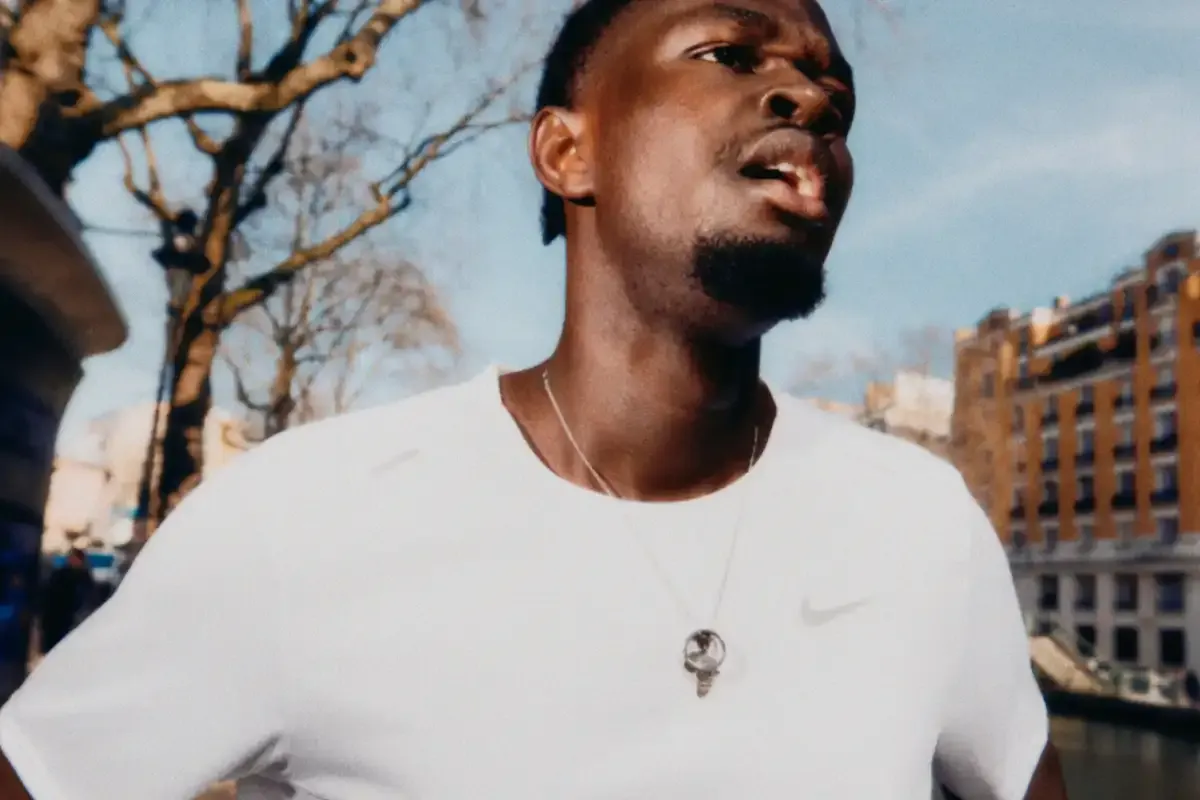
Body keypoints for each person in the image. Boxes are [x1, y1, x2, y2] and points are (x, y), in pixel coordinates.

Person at [0, 1, 1068, 797]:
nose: (816, 97)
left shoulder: (921, 522)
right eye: (728, 55)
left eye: (835, 89)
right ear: (568, 149)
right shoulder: (304, 515)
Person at [36, 548, 95, 655]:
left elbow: (86, 599)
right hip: (56, 618)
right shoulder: (60, 574)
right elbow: (49, 596)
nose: (72, 560)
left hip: (71, 619)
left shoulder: (83, 577)